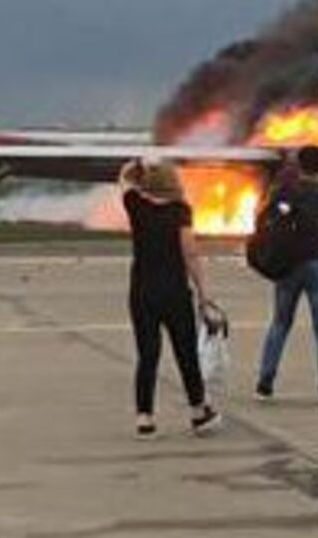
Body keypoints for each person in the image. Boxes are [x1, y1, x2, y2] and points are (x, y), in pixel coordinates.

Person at [120, 158, 222, 439]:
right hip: (174, 291)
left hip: (142, 290)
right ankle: (198, 411)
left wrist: (138, 164)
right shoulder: (180, 211)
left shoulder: (136, 206)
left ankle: (144, 418)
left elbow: (124, 178)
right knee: (186, 353)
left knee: (148, 355)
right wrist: (204, 293)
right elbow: (190, 253)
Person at [255, 144, 318, 407]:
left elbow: (267, 215)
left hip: (289, 264)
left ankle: (265, 382)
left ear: (299, 165)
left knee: (280, 323)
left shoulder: (286, 192)